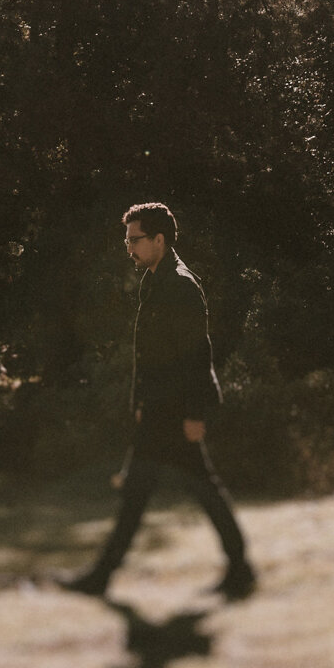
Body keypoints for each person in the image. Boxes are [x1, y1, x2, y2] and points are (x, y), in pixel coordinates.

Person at [59, 202, 256, 600]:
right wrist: (140, 400)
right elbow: (150, 354)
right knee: (163, 490)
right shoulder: (155, 279)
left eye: (135, 239)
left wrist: (196, 414)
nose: (128, 247)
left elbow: (196, 357)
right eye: (127, 239)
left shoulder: (181, 285)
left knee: (185, 489)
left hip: (176, 412)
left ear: (159, 240)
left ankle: (103, 575)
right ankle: (238, 569)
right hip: (159, 410)